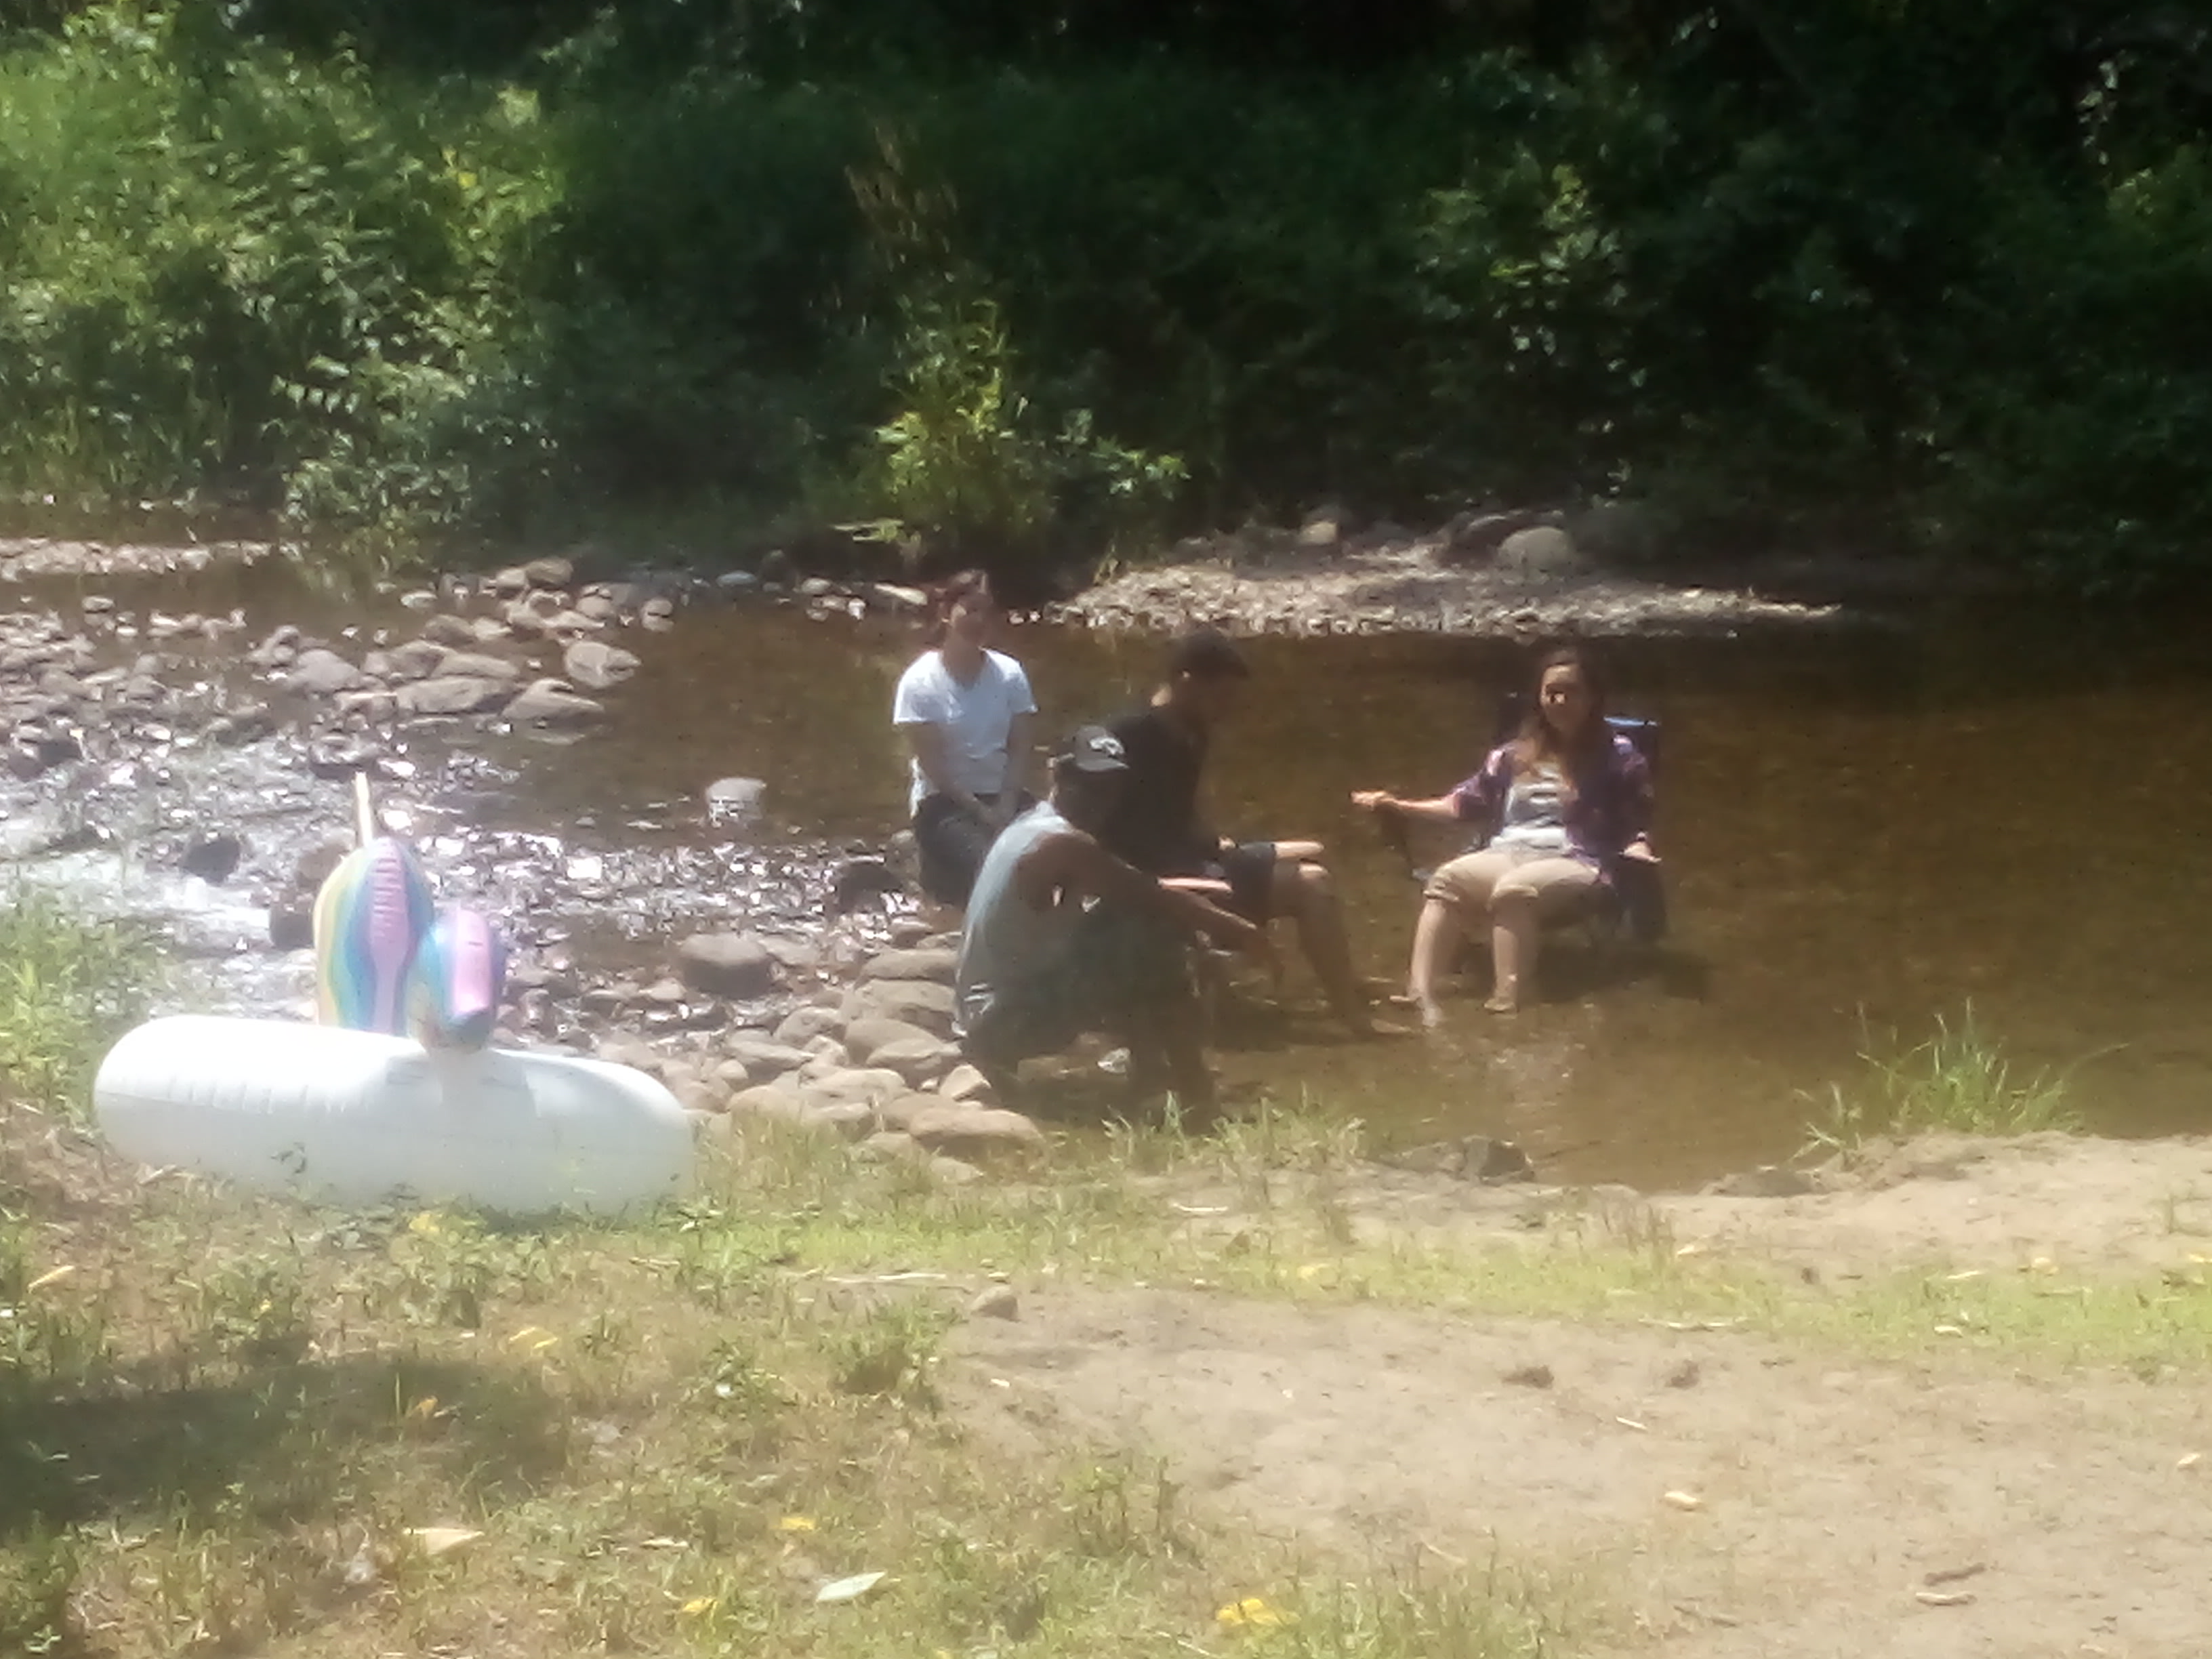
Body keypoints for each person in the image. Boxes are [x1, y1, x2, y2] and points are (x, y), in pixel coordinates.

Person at [956, 726, 1275, 1113]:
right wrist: (1245, 934)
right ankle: (1196, 1095)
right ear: (1057, 774)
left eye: (1109, 788)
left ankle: (1152, 1074)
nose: (1099, 799)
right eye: (1087, 785)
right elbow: (1150, 896)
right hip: (1000, 1023)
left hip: (991, 1013)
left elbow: (1129, 886)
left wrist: (1184, 896)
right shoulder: (1061, 842)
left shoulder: (1033, 825)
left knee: (1127, 926)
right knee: (1153, 936)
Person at [1352, 645, 1656, 1024]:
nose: (1559, 700)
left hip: (1576, 859)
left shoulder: (1619, 756)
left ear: (1593, 697)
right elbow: (1462, 804)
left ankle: (1508, 999)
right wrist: (1399, 805)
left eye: (1571, 691)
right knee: (1448, 880)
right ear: (1540, 698)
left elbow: (1635, 819)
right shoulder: (1513, 756)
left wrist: (1638, 847)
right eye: (1551, 693)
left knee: (1514, 890)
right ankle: (1421, 994)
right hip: (1508, 850)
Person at [1098, 628, 1380, 1034]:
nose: (1228, 709)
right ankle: (1352, 1016)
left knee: (1314, 850)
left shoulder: (1192, 730)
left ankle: (1345, 983)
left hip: (1193, 857)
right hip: (1156, 875)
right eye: (1222, 697)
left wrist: (1214, 843)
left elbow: (1176, 810)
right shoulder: (1125, 735)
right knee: (1313, 883)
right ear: (1187, 682)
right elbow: (1096, 823)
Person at [890, 571, 1037, 908]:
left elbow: (1019, 747)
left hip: (1003, 794)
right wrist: (982, 813)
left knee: (1062, 845)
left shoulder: (1010, 673)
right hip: (945, 802)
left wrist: (1006, 801)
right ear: (947, 613)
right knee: (995, 869)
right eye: (971, 609)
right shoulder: (920, 681)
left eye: (987, 611)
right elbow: (934, 766)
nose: (980, 620)